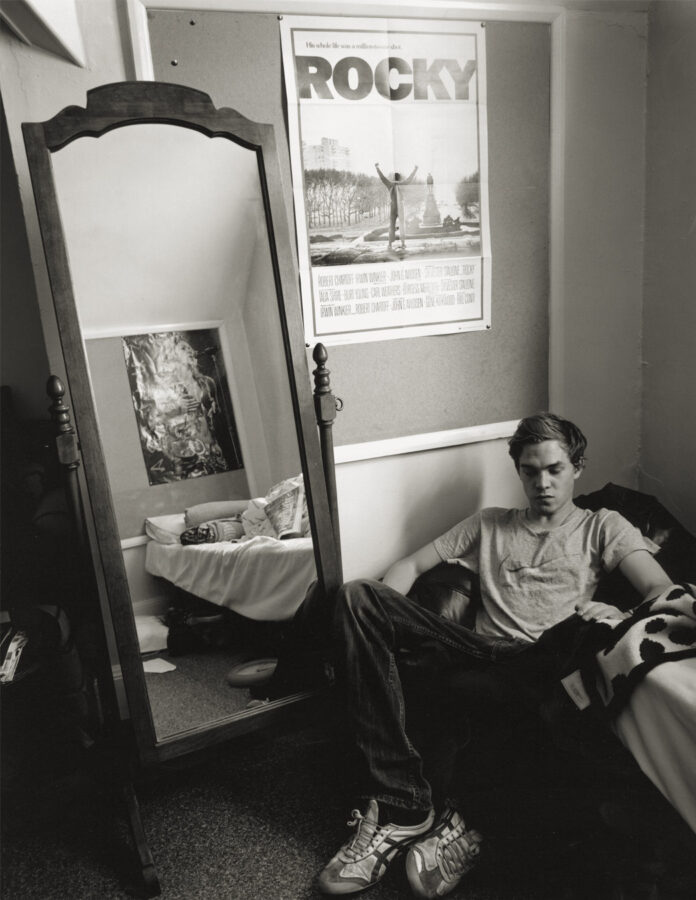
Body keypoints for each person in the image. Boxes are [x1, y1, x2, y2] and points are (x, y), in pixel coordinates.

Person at [313, 412, 673, 898]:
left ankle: (445, 820)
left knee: (566, 645)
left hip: (544, 657)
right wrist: (388, 616)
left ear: (577, 467)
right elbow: (411, 563)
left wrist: (614, 614)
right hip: (476, 650)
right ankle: (404, 801)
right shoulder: (490, 524)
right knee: (356, 595)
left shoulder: (601, 526)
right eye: (530, 471)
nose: (542, 483)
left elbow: (660, 589)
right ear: (518, 471)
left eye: (555, 469)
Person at [375, 162, 418, 250]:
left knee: (391, 225)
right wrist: (415, 169)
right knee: (402, 225)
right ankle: (403, 243)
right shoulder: (403, 183)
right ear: (400, 178)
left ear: (393, 177)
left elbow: (382, 177)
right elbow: (410, 178)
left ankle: (390, 244)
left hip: (393, 206)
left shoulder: (390, 184)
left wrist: (377, 168)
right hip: (400, 206)